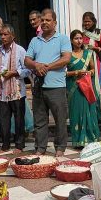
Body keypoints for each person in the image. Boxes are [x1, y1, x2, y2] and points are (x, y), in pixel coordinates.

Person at [25, 9, 71, 156]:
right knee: (39, 119)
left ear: (55, 23)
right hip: (39, 86)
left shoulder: (62, 39)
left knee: (60, 119)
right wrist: (36, 65)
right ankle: (40, 147)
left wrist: (47, 67)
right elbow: (27, 60)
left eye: (48, 20)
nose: (44, 22)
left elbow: (66, 59)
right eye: (42, 20)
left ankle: (60, 147)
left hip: (57, 86)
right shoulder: (35, 40)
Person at [0, 24, 30, 151]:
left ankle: (19, 145)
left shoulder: (20, 50)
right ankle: (5, 144)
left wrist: (14, 73)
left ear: (12, 36)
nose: (2, 37)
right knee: (3, 120)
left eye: (5, 34)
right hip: (2, 91)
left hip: (17, 91)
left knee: (19, 119)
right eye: (1, 35)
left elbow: (28, 70)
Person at [67, 29, 100, 147]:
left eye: (80, 38)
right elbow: (63, 73)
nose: (79, 41)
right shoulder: (67, 55)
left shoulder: (88, 54)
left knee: (89, 111)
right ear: (71, 40)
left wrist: (89, 73)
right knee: (76, 112)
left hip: (86, 86)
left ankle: (91, 138)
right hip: (73, 87)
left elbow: (92, 69)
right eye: (76, 38)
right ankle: (78, 141)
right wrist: (75, 72)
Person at [81, 11, 101, 124]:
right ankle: (89, 116)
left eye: (89, 21)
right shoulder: (82, 35)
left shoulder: (99, 34)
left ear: (93, 22)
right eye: (85, 21)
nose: (86, 23)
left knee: (96, 90)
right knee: (86, 90)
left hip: (97, 66)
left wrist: (96, 49)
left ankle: (98, 116)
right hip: (85, 66)